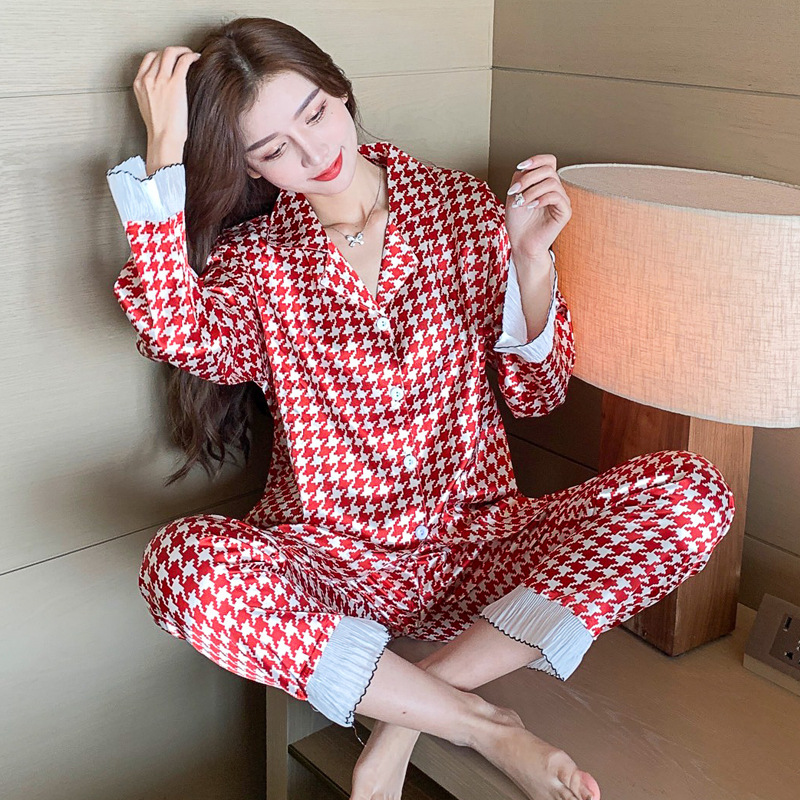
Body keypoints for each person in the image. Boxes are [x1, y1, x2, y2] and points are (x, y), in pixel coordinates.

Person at [105, 16, 736, 800]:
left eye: (315, 113)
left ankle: (406, 718)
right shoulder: (258, 262)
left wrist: (530, 261)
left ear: (339, 88)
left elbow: (538, 394)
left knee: (692, 495)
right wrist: (164, 149)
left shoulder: (460, 207)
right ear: (249, 166)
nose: (313, 152)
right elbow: (176, 329)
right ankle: (484, 725)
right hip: (333, 567)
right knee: (181, 567)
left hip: (480, 552)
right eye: (272, 149)